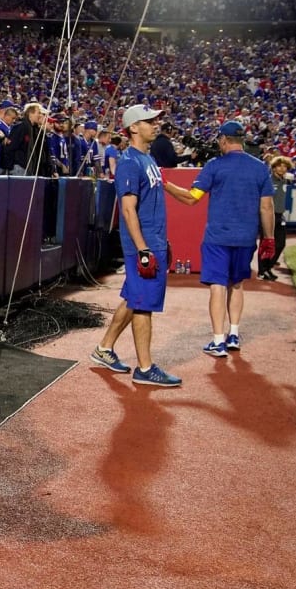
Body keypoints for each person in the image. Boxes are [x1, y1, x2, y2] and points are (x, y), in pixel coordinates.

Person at [88, 105, 182, 387]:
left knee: (134, 299)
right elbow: (128, 210)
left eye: (156, 120)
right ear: (133, 128)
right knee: (143, 306)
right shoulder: (130, 161)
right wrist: (143, 249)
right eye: (149, 121)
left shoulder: (147, 158)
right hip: (143, 246)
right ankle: (145, 368)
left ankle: (104, 349)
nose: (156, 124)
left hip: (153, 242)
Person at [163, 120, 274, 356]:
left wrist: (166, 185)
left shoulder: (215, 165)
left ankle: (217, 340)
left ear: (223, 140)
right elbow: (267, 207)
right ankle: (233, 334)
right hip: (245, 237)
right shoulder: (260, 167)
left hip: (218, 237)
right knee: (237, 284)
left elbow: (192, 197)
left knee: (217, 286)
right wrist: (269, 238)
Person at [260, 155, 291, 280]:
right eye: (280, 166)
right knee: (266, 242)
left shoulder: (284, 181)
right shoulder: (268, 181)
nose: (282, 169)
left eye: (285, 166)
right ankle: (263, 270)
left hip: (279, 215)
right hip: (268, 214)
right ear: (273, 168)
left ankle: (268, 267)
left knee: (280, 244)